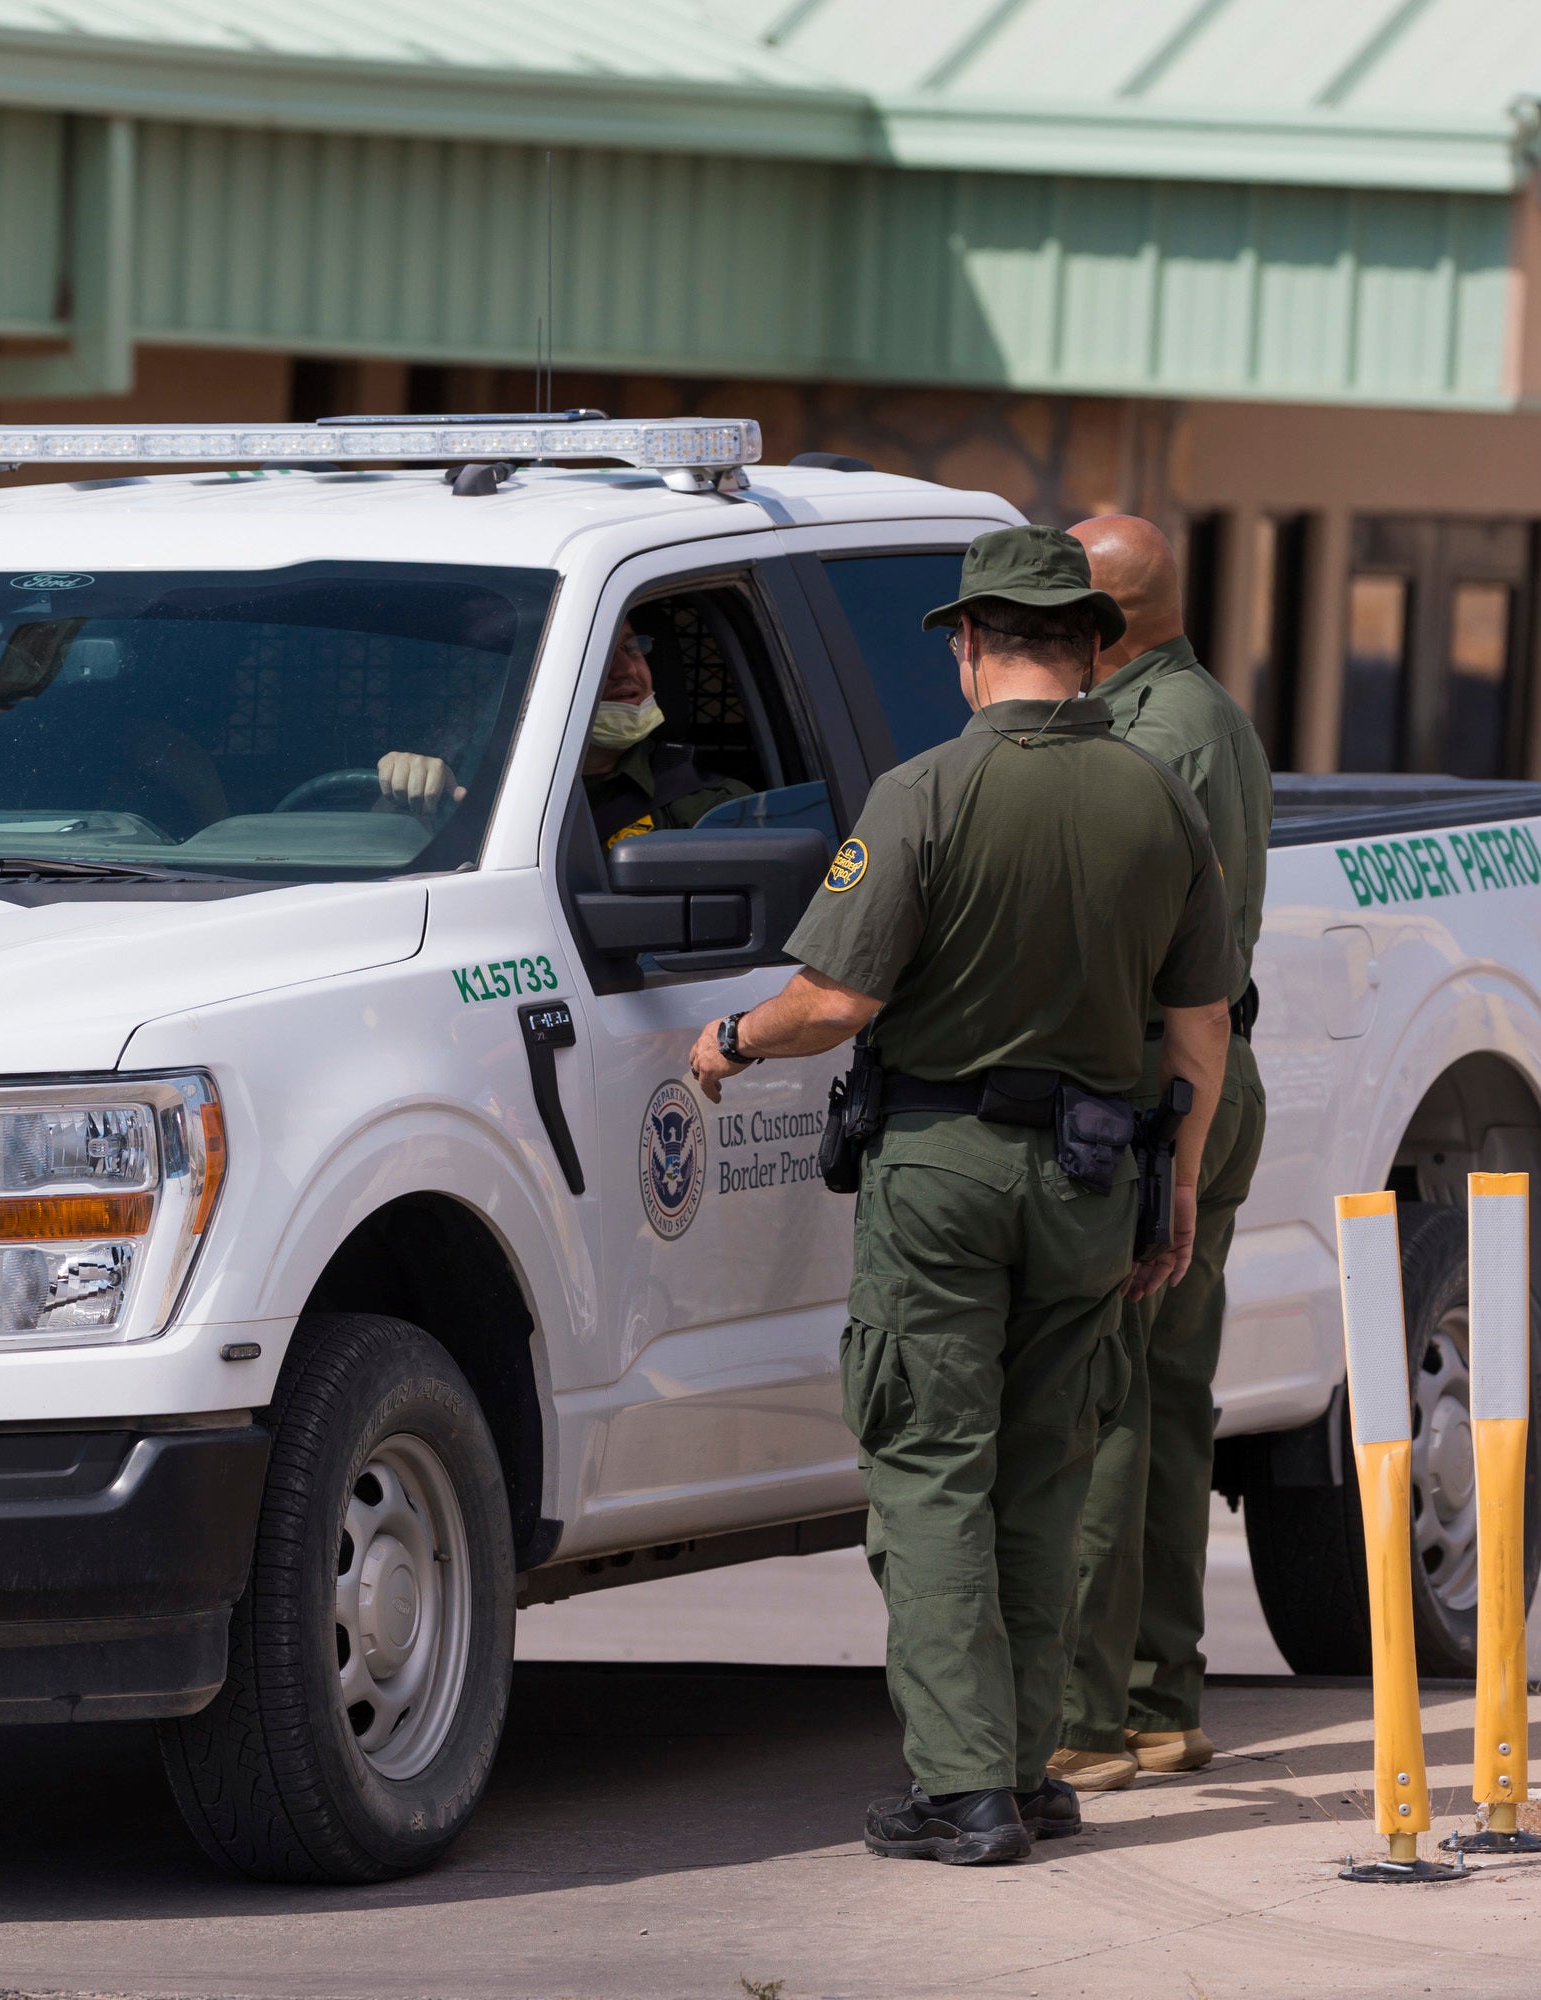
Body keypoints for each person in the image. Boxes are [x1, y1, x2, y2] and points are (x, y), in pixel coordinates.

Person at [686, 525, 1235, 1866]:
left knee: (931, 1469)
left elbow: (840, 1000)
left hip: (941, 1173)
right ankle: (1034, 1770)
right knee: (1044, 1473)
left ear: (975, 644)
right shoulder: (1158, 798)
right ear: (1092, 646)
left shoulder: (922, 794)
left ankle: (963, 1793)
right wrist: (1177, 1191)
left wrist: (731, 1044)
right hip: (1098, 1173)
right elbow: (1201, 1031)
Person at [1048, 515, 1273, 1792]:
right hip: (1216, 1071)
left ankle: (1084, 1717)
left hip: (1152, 1081)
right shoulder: (1214, 712)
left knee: (1107, 1396)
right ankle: (1158, 1701)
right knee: (1171, 1397)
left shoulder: (1146, 734)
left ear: (1106, 622)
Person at [377, 613, 748, 841]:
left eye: (632, 648)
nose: (627, 671)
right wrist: (402, 800)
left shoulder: (708, 803)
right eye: (599, 654)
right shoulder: (474, 786)